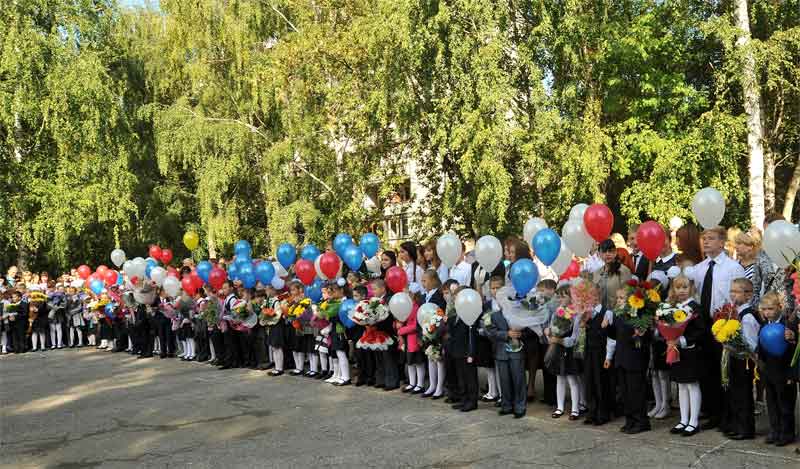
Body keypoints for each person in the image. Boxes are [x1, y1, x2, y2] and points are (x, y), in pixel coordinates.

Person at [689, 226, 746, 430]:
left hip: (723, 324)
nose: (706, 242)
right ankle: (712, 412)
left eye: (711, 239)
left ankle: (727, 415)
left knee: (725, 372)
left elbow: (741, 296)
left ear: (722, 243)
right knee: (707, 371)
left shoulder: (732, 267)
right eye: (704, 239)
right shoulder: (700, 268)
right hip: (703, 324)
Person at [606, 286, 652, 434]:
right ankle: (630, 419)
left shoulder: (638, 315)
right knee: (625, 392)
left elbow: (646, 336)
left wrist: (640, 334)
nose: (618, 301)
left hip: (635, 360)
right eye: (617, 298)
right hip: (621, 358)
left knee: (635, 392)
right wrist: (607, 327)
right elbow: (615, 335)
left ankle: (641, 421)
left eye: (622, 298)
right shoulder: (619, 315)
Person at [663, 274, 704, 437]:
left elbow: (701, 331)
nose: (681, 291)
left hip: (690, 351)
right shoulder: (672, 306)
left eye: (685, 287)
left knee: (692, 384)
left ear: (691, 288)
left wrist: (682, 340)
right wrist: (669, 338)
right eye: (678, 287)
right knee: (681, 385)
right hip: (676, 350)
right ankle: (683, 419)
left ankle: (693, 421)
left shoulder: (695, 307)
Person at [720, 278, 760, 440]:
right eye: (731, 291)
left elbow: (751, 343)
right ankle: (735, 424)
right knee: (734, 392)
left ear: (748, 295)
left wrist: (734, 342)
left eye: (737, 291)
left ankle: (746, 428)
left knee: (743, 394)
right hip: (734, 357)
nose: (732, 294)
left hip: (745, 360)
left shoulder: (748, 316)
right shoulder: (733, 311)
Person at [758, 291, 797, 447]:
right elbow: (761, 346)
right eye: (764, 309)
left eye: (771, 309)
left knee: (785, 403)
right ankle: (775, 430)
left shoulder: (788, 324)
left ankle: (787, 433)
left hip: (785, 371)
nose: (767, 312)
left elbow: (794, 349)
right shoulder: (763, 325)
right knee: (771, 402)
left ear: (779, 308)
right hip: (769, 370)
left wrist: (792, 338)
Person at [486, 275, 527, 418]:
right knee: (504, 379)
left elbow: (525, 327)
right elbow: (490, 332)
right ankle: (506, 404)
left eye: (499, 288)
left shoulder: (516, 308)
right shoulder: (492, 312)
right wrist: (506, 334)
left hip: (516, 350)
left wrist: (520, 333)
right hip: (501, 350)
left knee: (518, 378)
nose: (496, 291)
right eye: (493, 288)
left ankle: (520, 406)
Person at [580, 281, 614, 426]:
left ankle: (603, 412)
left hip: (601, 351)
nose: (588, 299)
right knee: (589, 381)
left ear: (598, 296)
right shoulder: (586, 313)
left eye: (591, 295)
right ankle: (591, 411)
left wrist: (608, 356)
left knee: (601, 382)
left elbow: (610, 336)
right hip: (589, 350)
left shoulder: (606, 312)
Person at [593, 239, 632, 310]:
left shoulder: (623, 270)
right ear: (599, 254)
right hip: (600, 314)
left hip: (618, 314)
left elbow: (627, 295)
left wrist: (612, 314)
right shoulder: (597, 273)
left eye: (610, 251)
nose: (607, 254)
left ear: (615, 252)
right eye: (604, 251)